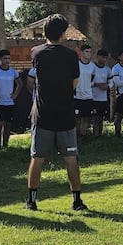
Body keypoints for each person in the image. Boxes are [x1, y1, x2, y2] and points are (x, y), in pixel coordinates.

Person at [24, 14, 88, 212]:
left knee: (37, 158)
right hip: (65, 114)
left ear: (45, 32)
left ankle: (31, 200)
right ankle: (76, 200)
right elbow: (74, 84)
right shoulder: (71, 56)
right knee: (71, 159)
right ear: (63, 33)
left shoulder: (36, 53)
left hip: (42, 114)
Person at [73, 44, 95, 137]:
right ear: (81, 52)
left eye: (90, 52)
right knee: (76, 117)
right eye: (86, 52)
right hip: (77, 95)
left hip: (88, 95)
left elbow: (92, 79)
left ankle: (83, 135)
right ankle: (75, 136)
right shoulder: (76, 65)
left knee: (86, 117)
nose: (89, 54)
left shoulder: (92, 66)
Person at [91, 49, 113, 138]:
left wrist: (107, 86)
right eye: (102, 57)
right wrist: (97, 85)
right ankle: (95, 135)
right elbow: (88, 82)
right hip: (93, 97)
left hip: (103, 98)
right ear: (97, 56)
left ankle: (100, 136)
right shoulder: (92, 68)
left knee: (101, 118)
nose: (104, 59)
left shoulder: (107, 70)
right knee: (95, 118)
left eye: (105, 58)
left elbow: (111, 83)